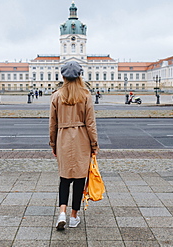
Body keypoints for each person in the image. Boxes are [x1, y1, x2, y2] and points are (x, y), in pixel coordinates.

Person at [49, 61, 99, 230]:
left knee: (64, 178)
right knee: (79, 179)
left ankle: (62, 211)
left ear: (63, 76)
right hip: (81, 139)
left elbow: (52, 123)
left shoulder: (56, 96)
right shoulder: (85, 95)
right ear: (79, 76)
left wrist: (53, 144)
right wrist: (94, 144)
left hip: (62, 139)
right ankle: (73, 216)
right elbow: (90, 123)